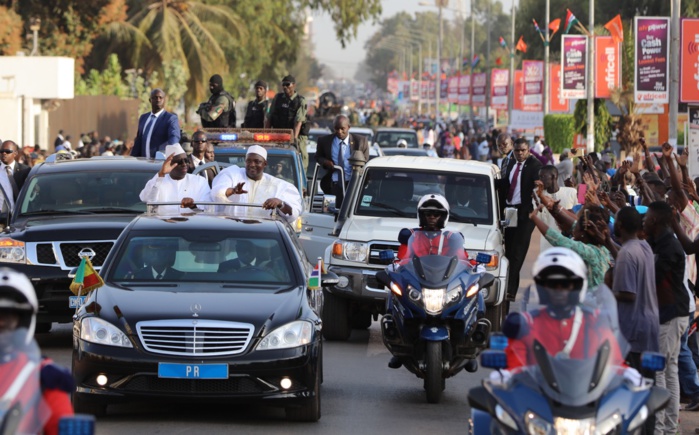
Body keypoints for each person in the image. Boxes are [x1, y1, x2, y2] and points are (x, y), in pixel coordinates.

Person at [504, 248, 624, 369]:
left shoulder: (594, 322)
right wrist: (505, 377)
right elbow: (515, 367)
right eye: (552, 284)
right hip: (537, 387)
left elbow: (615, 363)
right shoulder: (527, 324)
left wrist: (628, 375)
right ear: (542, 288)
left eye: (565, 284)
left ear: (577, 287)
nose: (559, 290)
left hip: (586, 387)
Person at [0, 268, 75, 435]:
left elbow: (60, 426)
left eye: (8, 317)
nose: (1, 325)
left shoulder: (44, 377)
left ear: (24, 322)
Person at [644, 200, 689, 435]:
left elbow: (652, 276)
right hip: (670, 313)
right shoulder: (658, 241)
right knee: (669, 370)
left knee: (660, 371)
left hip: (671, 315)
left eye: (647, 217)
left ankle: (661, 428)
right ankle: (669, 428)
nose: (644, 220)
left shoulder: (669, 246)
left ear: (655, 221)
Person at [497, 138, 542, 302]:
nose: (520, 153)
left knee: (518, 253)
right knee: (508, 251)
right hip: (510, 212)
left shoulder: (535, 166)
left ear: (528, 150)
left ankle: (510, 289)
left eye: (523, 150)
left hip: (525, 215)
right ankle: (507, 289)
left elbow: (541, 181)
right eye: (517, 150)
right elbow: (504, 183)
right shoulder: (509, 163)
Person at [211, 145, 302, 223]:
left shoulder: (277, 185)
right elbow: (215, 193)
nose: (252, 164)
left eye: (257, 161)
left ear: (265, 164)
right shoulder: (233, 174)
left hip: (262, 237)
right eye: (249, 161)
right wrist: (233, 191)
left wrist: (280, 203)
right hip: (232, 230)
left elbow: (293, 214)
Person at [139, 144, 212, 215]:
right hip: (164, 225)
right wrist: (161, 174)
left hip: (191, 225)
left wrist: (193, 206)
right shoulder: (159, 180)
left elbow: (208, 210)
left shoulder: (199, 181)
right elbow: (146, 198)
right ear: (169, 164)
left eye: (186, 160)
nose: (184, 164)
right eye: (179, 162)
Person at [315, 114, 369, 207]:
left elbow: (365, 161)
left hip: (353, 184)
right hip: (333, 185)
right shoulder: (324, 141)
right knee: (330, 211)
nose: (339, 131)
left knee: (350, 211)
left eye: (342, 128)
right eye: (336, 128)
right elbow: (318, 156)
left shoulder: (360, 141)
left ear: (348, 127)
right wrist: (325, 162)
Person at [396, 194, 467, 263]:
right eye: (428, 214)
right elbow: (401, 263)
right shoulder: (411, 236)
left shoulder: (450, 238)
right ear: (422, 216)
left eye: (436, 214)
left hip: (445, 274)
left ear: (443, 217)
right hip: (415, 274)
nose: (432, 217)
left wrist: (475, 265)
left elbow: (464, 262)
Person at [266, 75, 309, 170]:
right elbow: (269, 117)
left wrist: (294, 139)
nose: (285, 87)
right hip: (278, 136)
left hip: (295, 137)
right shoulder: (278, 98)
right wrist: (266, 135)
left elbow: (298, 122)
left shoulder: (300, 101)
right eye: (283, 85)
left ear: (294, 85)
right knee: (272, 163)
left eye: (287, 84)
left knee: (299, 164)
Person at [534, 166, 578, 251]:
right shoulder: (537, 195)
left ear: (554, 176)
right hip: (548, 243)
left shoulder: (571, 192)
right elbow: (541, 219)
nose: (540, 180)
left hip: (569, 244)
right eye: (539, 177)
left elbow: (579, 211)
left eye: (543, 177)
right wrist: (539, 199)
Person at [130, 89, 181, 158]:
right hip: (142, 164)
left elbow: (174, 137)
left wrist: (169, 155)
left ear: (164, 100)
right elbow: (139, 140)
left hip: (159, 163)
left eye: (161, 97)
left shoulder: (170, 118)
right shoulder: (143, 118)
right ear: (150, 100)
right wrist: (132, 159)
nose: (158, 100)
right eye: (155, 97)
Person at [0, 140, 30, 210]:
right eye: (1, 151)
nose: (4, 153)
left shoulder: (24, 170)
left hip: (18, 215)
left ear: (15, 153)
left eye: (7, 151)